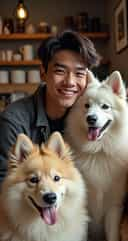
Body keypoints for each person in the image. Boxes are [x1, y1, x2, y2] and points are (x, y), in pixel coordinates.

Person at [0, 30, 100, 182]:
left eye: (79, 74)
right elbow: (4, 185)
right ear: (43, 73)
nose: (70, 82)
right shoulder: (13, 121)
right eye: (60, 71)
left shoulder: (92, 118)